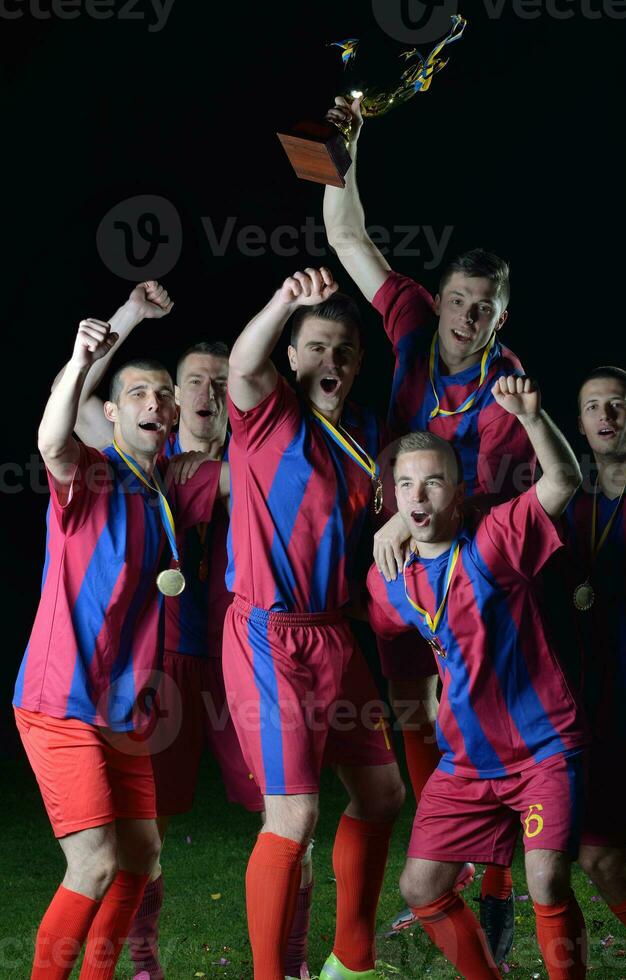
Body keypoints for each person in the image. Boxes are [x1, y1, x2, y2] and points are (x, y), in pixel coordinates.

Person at [322, 96, 536, 954]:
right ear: (440, 297)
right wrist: (350, 147)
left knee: (466, 713)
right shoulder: (410, 321)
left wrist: (415, 531)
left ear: (501, 316)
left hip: (467, 569)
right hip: (393, 560)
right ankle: (450, 862)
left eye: (484, 307)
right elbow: (347, 238)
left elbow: (494, 507)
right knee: (411, 709)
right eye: (458, 299)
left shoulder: (508, 387)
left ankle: (493, 881)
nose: (465, 317)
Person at [14, 313, 227, 979]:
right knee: (96, 862)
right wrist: (80, 360)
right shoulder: (90, 475)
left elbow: (250, 479)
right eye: (137, 393)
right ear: (108, 413)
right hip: (60, 702)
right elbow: (51, 438)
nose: (155, 402)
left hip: (126, 711)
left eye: (163, 394)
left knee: (141, 858)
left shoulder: (175, 482)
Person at [67, 298, 273, 978]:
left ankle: (292, 959)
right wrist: (123, 318)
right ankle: (145, 959)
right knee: (143, 831)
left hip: (248, 658)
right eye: (195, 381)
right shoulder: (146, 460)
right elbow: (82, 398)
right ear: (171, 401)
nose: (210, 391)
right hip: (161, 663)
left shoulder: (253, 458)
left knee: (285, 807)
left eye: (223, 380)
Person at [366, 376, 589, 980]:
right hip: (465, 763)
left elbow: (563, 482)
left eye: (433, 481)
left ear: (458, 491)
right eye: (405, 484)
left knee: (545, 879)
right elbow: (392, 639)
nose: (419, 495)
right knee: (420, 888)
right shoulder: (387, 576)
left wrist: (533, 419)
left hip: (541, 748)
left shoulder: (495, 539)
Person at [225, 265, 405, 980]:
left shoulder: (361, 435)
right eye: (318, 347)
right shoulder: (269, 413)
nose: (332, 361)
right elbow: (243, 364)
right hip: (271, 635)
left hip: (336, 631)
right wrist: (283, 300)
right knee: (293, 819)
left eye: (345, 352)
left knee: (384, 794)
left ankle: (349, 961)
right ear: (292, 357)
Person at [561, 356, 626, 953]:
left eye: (618, 402)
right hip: (599, 708)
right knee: (597, 855)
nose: (606, 413)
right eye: (593, 405)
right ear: (578, 421)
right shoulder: (570, 499)